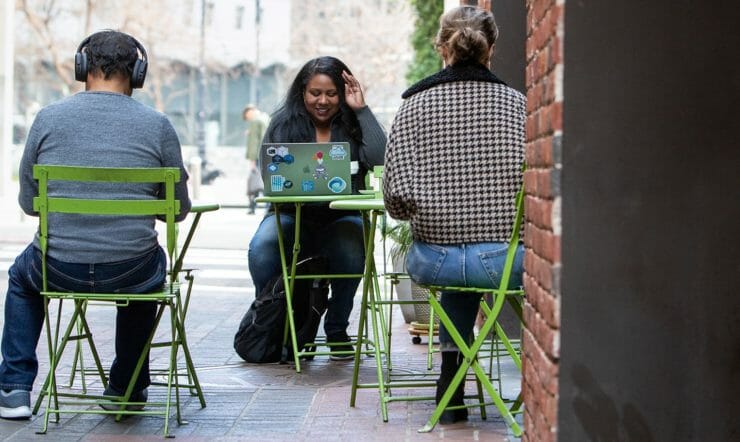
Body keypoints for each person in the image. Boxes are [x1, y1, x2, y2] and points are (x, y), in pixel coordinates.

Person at [0, 30, 191, 419]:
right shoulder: (158, 125)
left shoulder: (47, 118)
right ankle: (126, 387)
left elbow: (28, 204)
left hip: (57, 269)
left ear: (81, 67)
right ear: (138, 72)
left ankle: (14, 389)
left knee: (22, 279)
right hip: (130, 269)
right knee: (150, 270)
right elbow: (177, 211)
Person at [382, 6, 525, 424]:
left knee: (458, 279)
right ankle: (522, 378)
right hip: (504, 263)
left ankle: (451, 389)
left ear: (440, 46)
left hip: (434, 261)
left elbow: (396, 202)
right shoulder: (519, 106)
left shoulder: (413, 106)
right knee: (480, 272)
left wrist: (441, 207)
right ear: (491, 49)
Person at [247, 56, 386, 360]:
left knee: (351, 250)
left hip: (342, 215)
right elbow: (268, 172)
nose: (322, 101)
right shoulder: (283, 123)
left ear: (342, 94)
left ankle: (337, 329)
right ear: (302, 93)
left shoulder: (353, 123)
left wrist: (361, 110)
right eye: (315, 93)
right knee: (262, 248)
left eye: (331, 94)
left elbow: (379, 159)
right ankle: (279, 322)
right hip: (290, 214)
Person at [243, 104, 270, 214]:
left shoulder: (255, 121)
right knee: (265, 181)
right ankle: (268, 206)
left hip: (258, 156)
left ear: (250, 111)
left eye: (247, 116)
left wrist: (252, 160)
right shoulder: (266, 118)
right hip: (267, 154)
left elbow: (254, 143)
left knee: (256, 181)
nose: (248, 119)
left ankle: (253, 206)